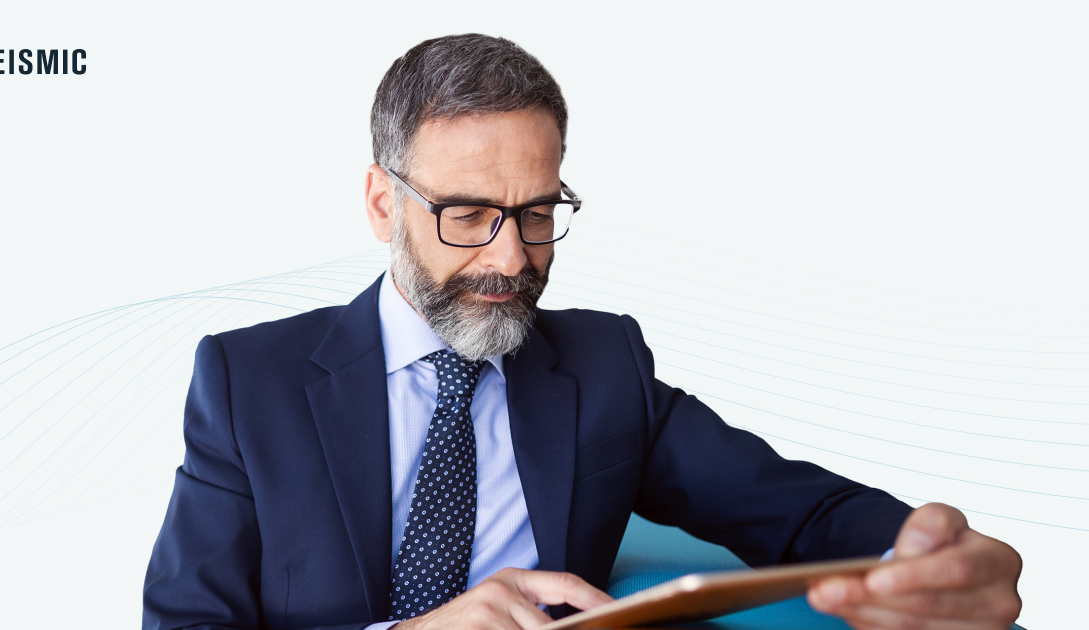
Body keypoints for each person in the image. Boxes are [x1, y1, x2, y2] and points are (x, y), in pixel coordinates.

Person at [142, 34, 1022, 630]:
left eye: (535, 213)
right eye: (468, 213)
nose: (510, 259)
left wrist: (933, 554)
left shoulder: (603, 368)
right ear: (384, 203)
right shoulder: (247, 381)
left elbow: (801, 513)